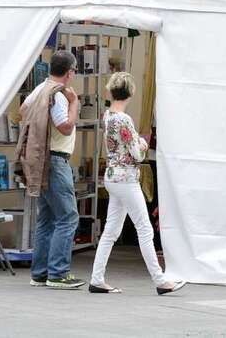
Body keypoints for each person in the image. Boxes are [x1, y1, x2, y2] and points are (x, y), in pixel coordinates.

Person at [89, 73, 185, 295]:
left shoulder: (108, 116)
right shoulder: (124, 120)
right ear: (131, 92)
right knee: (144, 228)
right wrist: (142, 142)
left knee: (111, 231)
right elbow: (137, 153)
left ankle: (97, 278)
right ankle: (160, 280)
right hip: (126, 178)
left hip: (113, 176)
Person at [20, 50, 83, 289]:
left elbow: (24, 111)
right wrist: (74, 102)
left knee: (46, 218)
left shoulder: (39, 89)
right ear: (69, 72)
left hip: (41, 160)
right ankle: (58, 273)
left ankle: (40, 272)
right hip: (56, 159)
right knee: (68, 217)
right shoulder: (58, 95)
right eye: (74, 71)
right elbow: (65, 126)